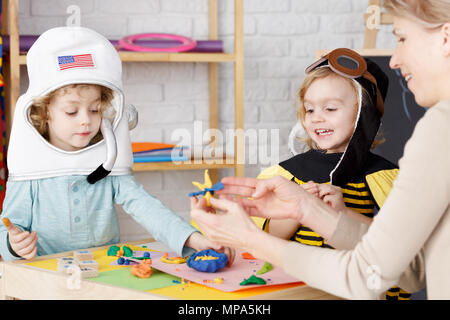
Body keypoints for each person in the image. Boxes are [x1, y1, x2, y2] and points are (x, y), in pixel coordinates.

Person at [191, 0, 450, 299]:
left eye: (401, 37)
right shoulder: (289, 173)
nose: (394, 59)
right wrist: (306, 210)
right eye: (310, 109)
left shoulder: (439, 130)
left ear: (445, 37)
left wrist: (247, 238)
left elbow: (367, 277)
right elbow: (413, 269)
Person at [0, 26, 234, 266]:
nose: (86, 120)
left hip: (105, 277)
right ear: (44, 113)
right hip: (46, 281)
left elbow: (146, 207)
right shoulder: (32, 170)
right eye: (71, 111)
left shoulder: (106, 164)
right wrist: (13, 243)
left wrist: (192, 238)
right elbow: (7, 228)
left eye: (94, 109)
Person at [254, 48, 409, 300]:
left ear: (363, 114)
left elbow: (393, 242)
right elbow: (269, 238)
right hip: (298, 288)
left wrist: (342, 214)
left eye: (330, 109)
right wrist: (297, 210)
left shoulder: (381, 176)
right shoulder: (289, 173)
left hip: (350, 289)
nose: (316, 119)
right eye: (310, 110)